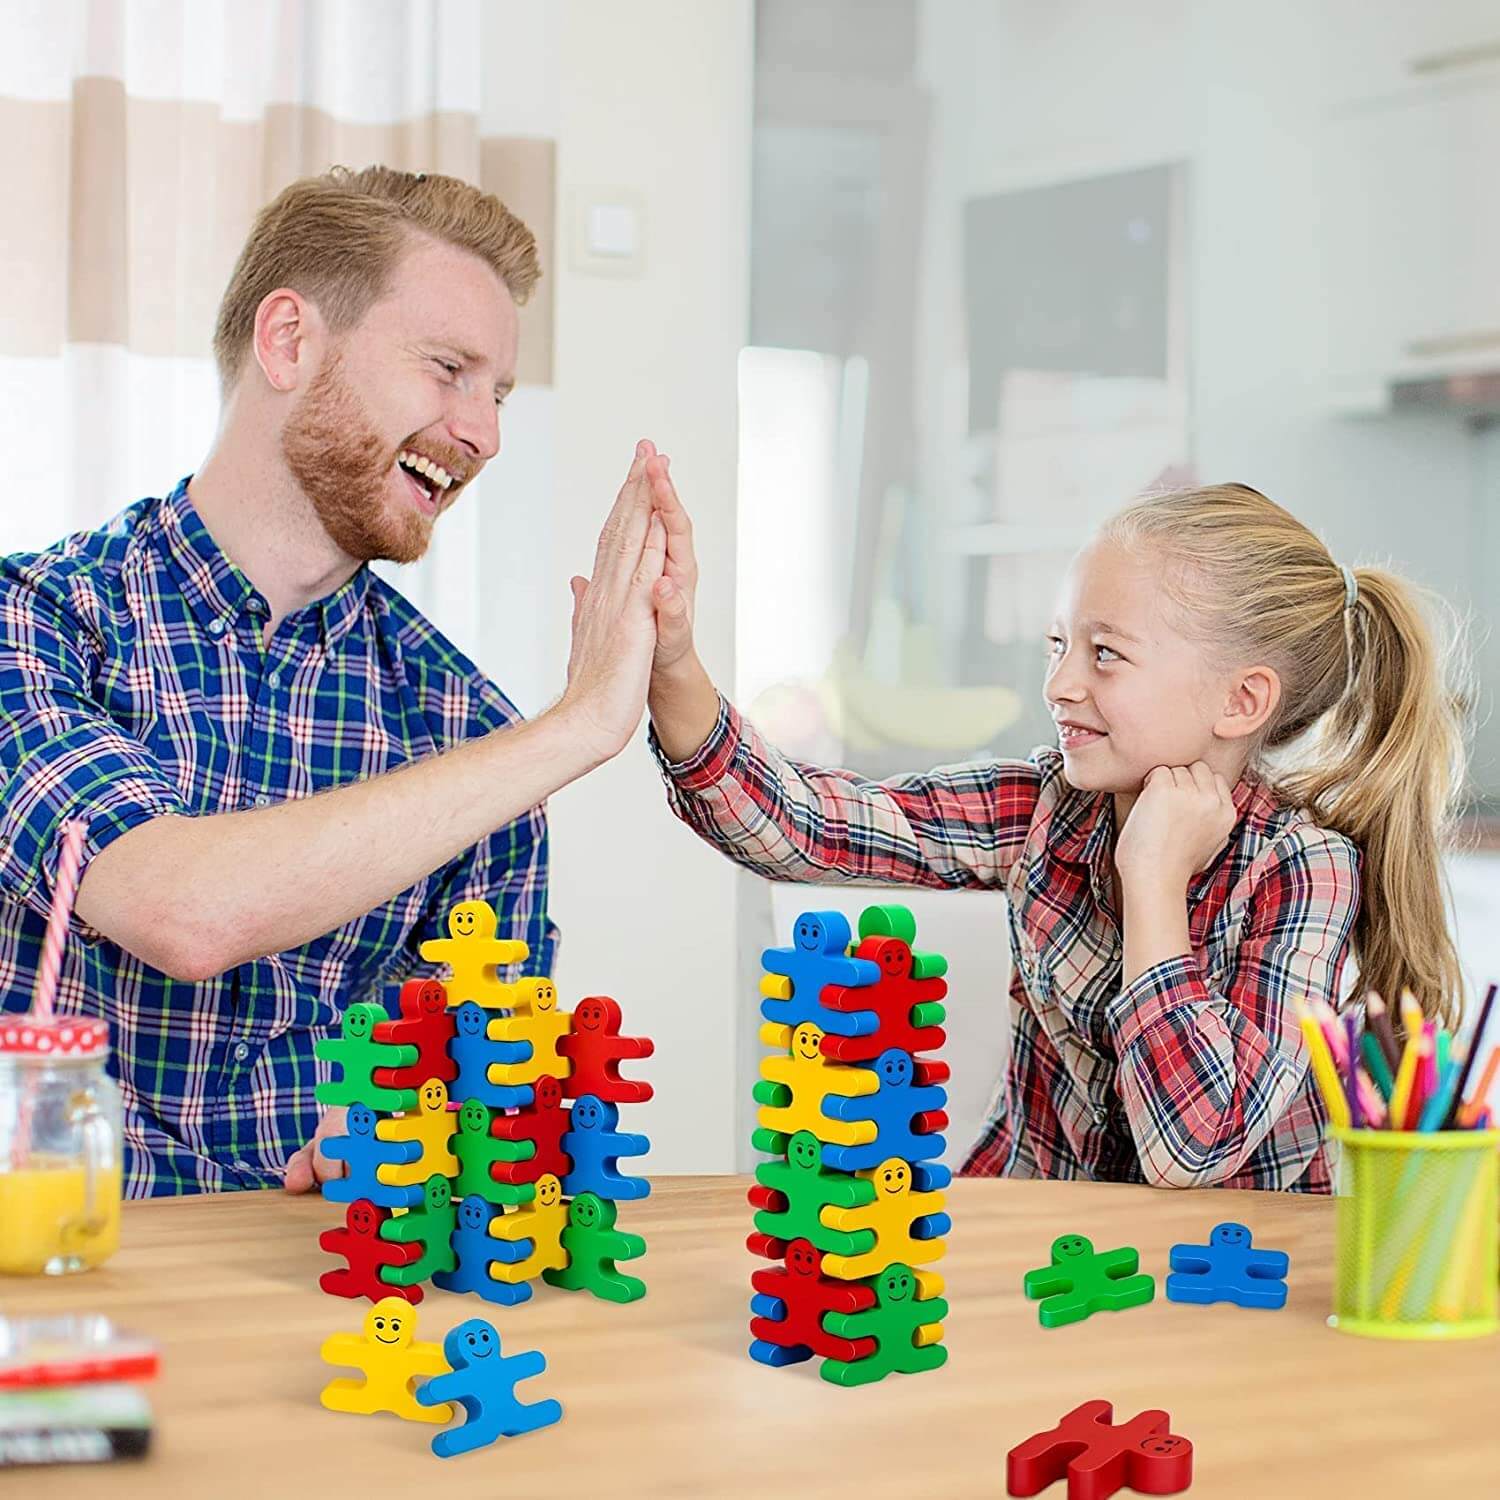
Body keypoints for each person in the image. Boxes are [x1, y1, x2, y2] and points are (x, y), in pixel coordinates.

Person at [0, 166, 672, 1197]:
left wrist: (425, 1122)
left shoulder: (465, 727)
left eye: (497, 395)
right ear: (290, 341)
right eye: (449, 369)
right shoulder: (36, 622)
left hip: (337, 1305)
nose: (483, 431)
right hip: (62, 1283)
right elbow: (181, 911)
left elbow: (484, 1079)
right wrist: (576, 727)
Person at [640, 475, 1471, 1190]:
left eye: (1105, 654)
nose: (1061, 683)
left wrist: (1151, 884)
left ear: (1241, 702)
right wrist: (673, 662)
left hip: (1227, 1284)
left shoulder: (1304, 870)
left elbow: (1197, 1147)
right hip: (1041, 1235)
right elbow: (804, 828)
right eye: (1058, 644)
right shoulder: (1039, 806)